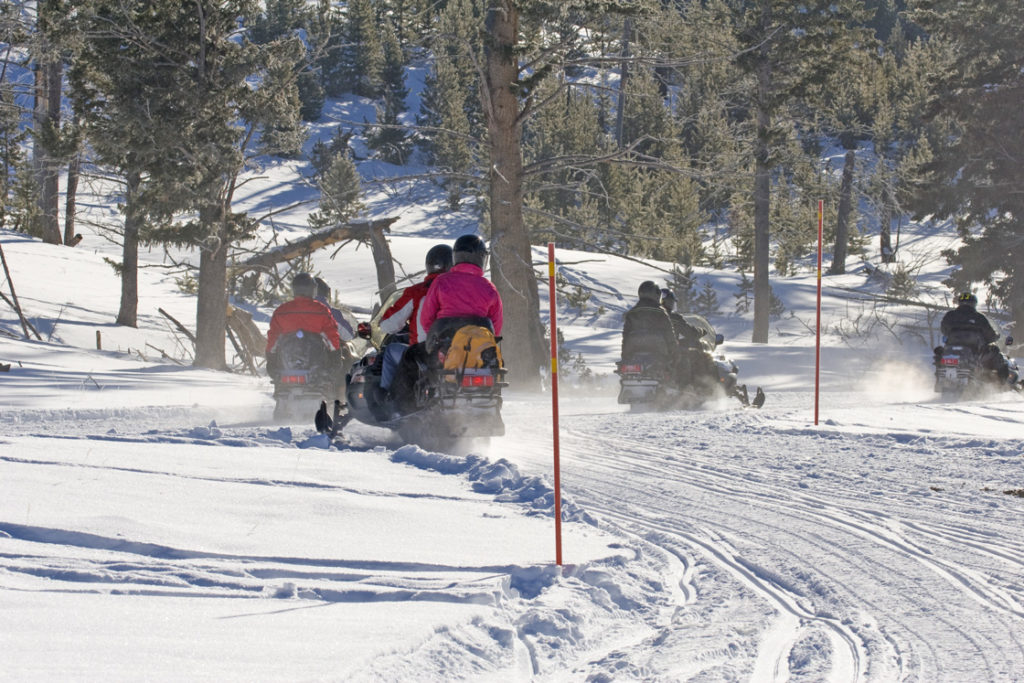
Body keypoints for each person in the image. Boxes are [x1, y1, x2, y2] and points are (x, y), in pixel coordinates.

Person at [377, 244, 453, 393]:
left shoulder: (418, 292)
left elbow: (388, 325)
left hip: (424, 353)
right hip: (460, 351)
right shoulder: (460, 291)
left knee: (391, 350)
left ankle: (387, 396)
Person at [418, 234, 503, 350]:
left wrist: (435, 338)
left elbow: (426, 318)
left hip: (444, 349)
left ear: (455, 256)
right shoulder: (489, 288)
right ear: (482, 258)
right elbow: (496, 326)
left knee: (409, 356)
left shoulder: (441, 282)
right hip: (477, 350)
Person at [266, 272, 343, 388]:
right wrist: (336, 358)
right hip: (316, 365)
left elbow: (273, 339)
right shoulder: (321, 310)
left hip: (287, 365)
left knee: (280, 385)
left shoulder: (281, 311)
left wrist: (270, 360)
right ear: (313, 290)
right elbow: (332, 337)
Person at [937, 291, 1013, 384]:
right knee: (996, 351)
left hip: (952, 349)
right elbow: (989, 334)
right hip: (975, 351)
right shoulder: (979, 317)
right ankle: (1002, 383)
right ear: (973, 303)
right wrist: (995, 336)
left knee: (940, 355)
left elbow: (944, 329)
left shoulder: (950, 315)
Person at [621, 281, 677, 379]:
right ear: (656, 295)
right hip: (658, 351)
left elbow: (625, 336)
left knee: (626, 372)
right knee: (673, 367)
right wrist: (674, 351)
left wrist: (624, 356)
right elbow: (669, 334)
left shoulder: (632, 313)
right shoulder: (661, 312)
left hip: (633, 352)